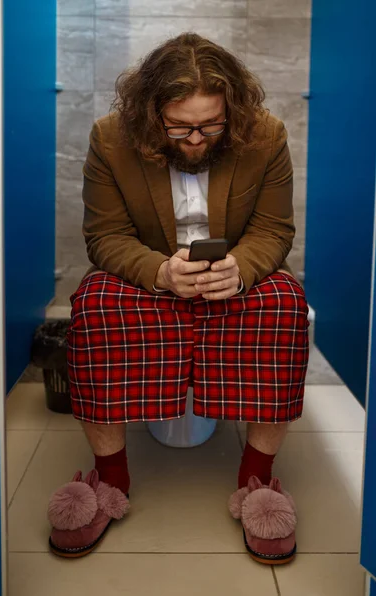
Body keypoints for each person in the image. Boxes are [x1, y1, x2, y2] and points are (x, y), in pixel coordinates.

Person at [47, 32, 309, 565]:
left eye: (211, 126)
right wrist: (159, 272)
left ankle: (257, 479)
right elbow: (105, 236)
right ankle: (110, 478)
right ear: (150, 114)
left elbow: (274, 229)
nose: (195, 138)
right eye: (180, 126)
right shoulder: (110, 138)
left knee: (284, 303)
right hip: (151, 271)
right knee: (94, 305)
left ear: (231, 110)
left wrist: (242, 269)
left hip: (232, 270)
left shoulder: (265, 135)